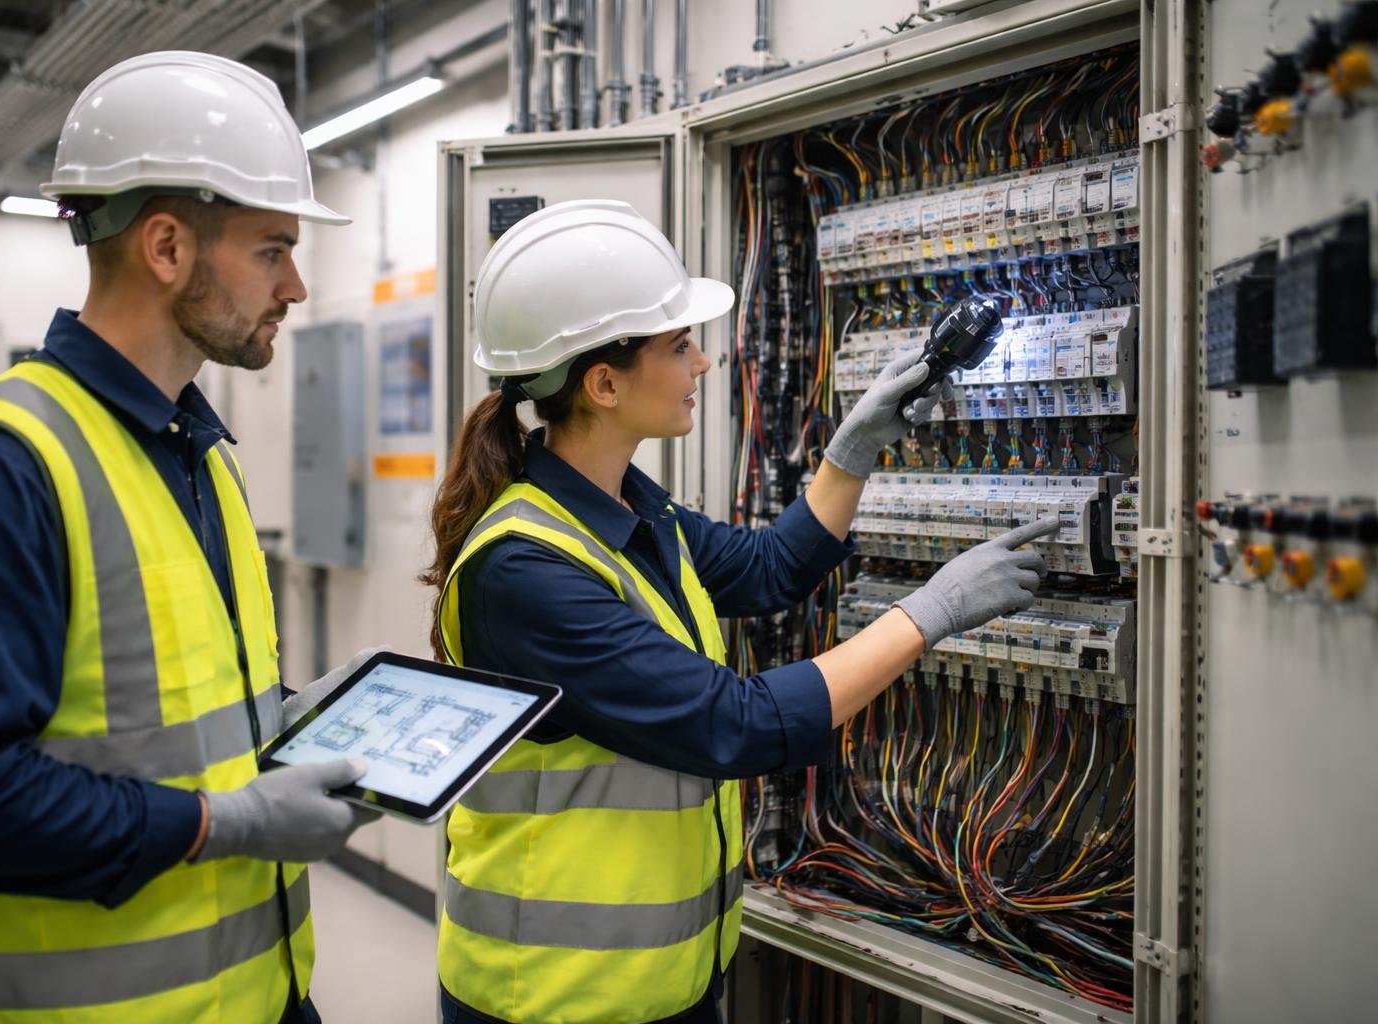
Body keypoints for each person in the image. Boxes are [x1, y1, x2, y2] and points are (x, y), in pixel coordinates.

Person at [421, 199, 1059, 1024]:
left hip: (659, 979)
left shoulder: (628, 511)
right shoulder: (525, 568)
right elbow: (734, 725)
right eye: (679, 345)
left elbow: (768, 569)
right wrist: (929, 613)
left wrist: (850, 451)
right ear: (604, 383)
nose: (704, 363)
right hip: (552, 994)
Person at [0, 52, 376, 1024]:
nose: (295, 287)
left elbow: (155, 713)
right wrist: (228, 823)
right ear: (168, 247)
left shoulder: (197, 456)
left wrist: (296, 718)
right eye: (272, 250)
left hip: (257, 997)